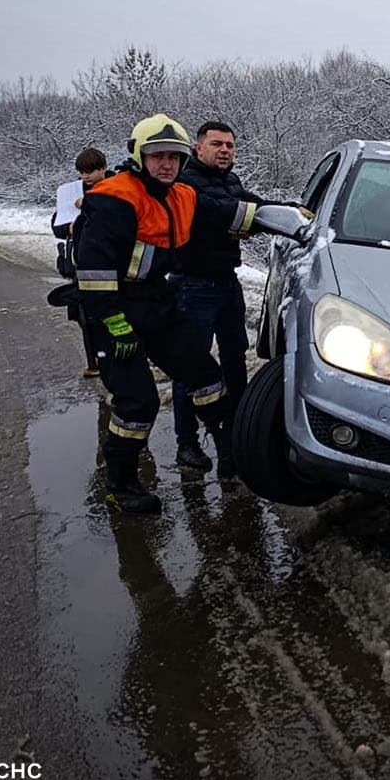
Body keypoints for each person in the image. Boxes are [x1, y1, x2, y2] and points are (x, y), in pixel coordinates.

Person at [75, 114, 262, 515]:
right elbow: (93, 273)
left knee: (206, 376)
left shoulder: (181, 194)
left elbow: (226, 213)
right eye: (157, 156)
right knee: (137, 403)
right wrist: (114, 324)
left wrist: (289, 218)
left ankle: (229, 453)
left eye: (173, 157)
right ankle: (121, 486)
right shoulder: (113, 198)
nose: (166, 164)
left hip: (156, 300)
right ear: (139, 157)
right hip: (112, 309)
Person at [169, 122, 274, 477]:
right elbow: (217, 212)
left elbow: (248, 210)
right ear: (198, 148)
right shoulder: (184, 183)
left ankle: (237, 438)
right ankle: (187, 444)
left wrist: (287, 212)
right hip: (192, 285)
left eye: (230, 145)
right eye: (216, 144)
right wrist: (249, 218)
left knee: (234, 358)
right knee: (191, 366)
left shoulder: (231, 181)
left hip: (227, 282)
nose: (225, 150)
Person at [50, 147, 111, 377]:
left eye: (90, 172)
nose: (85, 177)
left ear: (103, 169)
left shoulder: (117, 187)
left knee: (109, 311)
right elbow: (57, 226)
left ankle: (110, 356)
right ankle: (95, 359)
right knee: (84, 313)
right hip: (80, 261)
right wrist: (70, 227)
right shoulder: (72, 192)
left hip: (107, 259)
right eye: (82, 172)